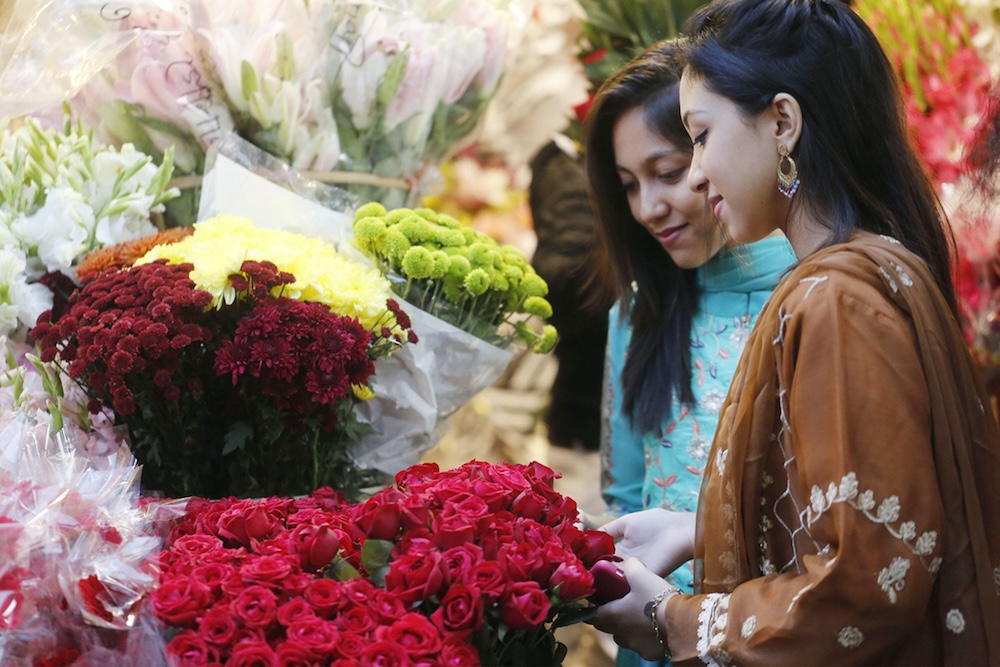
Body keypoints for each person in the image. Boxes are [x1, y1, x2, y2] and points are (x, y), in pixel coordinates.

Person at [592, 1, 1000, 664]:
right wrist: (700, 528)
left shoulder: (836, 297)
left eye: (698, 137)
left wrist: (673, 619)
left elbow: (858, 585)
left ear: (782, 121)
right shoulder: (873, 269)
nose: (695, 174)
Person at [585, 39, 796, 666]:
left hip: (779, 638)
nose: (648, 209)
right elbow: (622, 494)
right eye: (628, 185)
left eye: (669, 173)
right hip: (650, 643)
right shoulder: (639, 309)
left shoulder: (818, 296)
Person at [530, 139, 608, 452]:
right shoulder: (562, 161)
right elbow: (565, 281)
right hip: (586, 413)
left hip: (581, 411)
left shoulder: (557, 158)